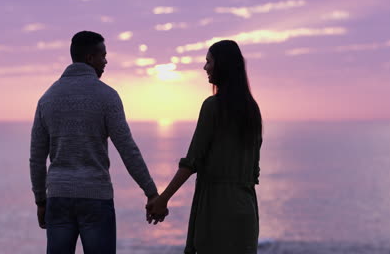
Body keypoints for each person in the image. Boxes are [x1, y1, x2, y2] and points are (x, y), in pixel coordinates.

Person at [29, 30, 165, 254]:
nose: (106, 61)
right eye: (103, 55)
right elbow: (127, 149)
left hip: (58, 198)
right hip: (96, 198)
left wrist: (41, 201)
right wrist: (151, 192)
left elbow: (36, 157)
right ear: (90, 58)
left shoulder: (47, 99)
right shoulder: (107, 96)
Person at [146, 40, 263, 254]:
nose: (205, 67)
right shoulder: (252, 110)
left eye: (208, 61)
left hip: (217, 210)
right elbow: (254, 171)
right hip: (246, 212)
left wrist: (163, 199)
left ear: (222, 65)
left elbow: (192, 161)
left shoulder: (213, 106)